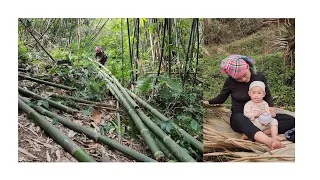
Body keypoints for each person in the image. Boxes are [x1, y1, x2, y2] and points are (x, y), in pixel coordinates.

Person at [203, 55, 295, 150]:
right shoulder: (230, 82)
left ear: (247, 66)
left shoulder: (259, 76)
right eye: (238, 79)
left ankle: (253, 133)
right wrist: (206, 102)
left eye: (244, 75)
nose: (243, 79)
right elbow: (221, 98)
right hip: (241, 116)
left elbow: (267, 95)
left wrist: (270, 107)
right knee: (240, 118)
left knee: (291, 120)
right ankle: (269, 141)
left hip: (261, 114)